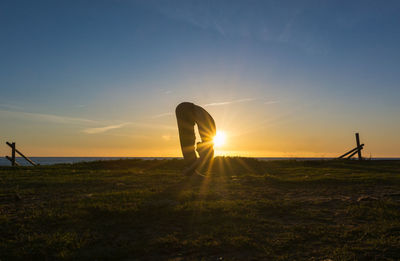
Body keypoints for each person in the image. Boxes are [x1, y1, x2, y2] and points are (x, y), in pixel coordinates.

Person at [175, 102, 216, 175]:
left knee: (188, 142)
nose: (197, 150)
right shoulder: (209, 141)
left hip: (185, 109)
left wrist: (190, 169)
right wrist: (190, 169)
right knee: (187, 142)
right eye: (199, 151)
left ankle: (192, 172)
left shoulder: (209, 138)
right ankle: (192, 173)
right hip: (187, 109)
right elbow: (202, 158)